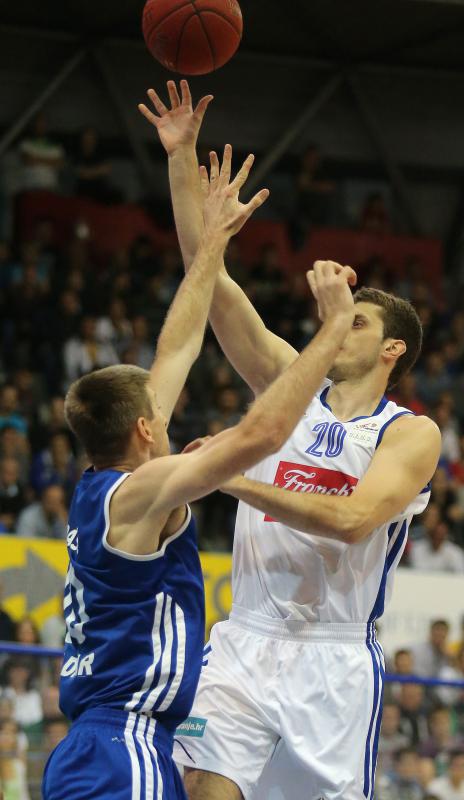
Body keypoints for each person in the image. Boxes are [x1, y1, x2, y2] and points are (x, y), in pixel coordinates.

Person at [140, 79, 441, 800]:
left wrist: (224, 471)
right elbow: (206, 281)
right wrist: (180, 161)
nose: (336, 328)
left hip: (331, 665)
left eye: (355, 322)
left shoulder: (410, 433)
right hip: (242, 644)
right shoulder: (287, 384)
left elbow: (350, 520)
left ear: (393, 349)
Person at [42, 140, 359, 800]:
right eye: (158, 408)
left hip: (112, 741)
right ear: (143, 428)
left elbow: (179, 341)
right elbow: (262, 432)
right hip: (122, 744)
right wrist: (330, 331)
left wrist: (198, 207)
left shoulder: (111, 479)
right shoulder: (142, 489)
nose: (169, 405)